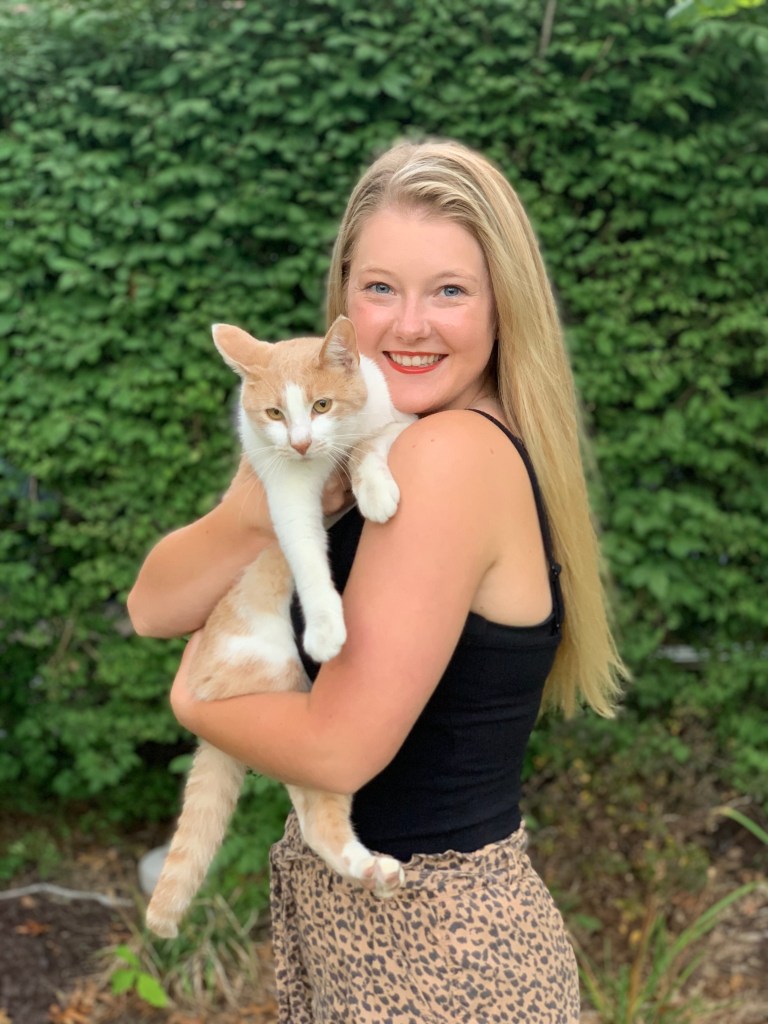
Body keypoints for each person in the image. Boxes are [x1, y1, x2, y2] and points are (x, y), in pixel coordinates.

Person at [128, 138, 626, 1023]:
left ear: (502, 306)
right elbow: (153, 605)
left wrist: (196, 703)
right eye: (381, 288)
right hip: (392, 934)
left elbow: (338, 748)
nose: (408, 325)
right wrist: (264, 504)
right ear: (344, 305)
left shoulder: (448, 455)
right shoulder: (354, 438)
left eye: (450, 290)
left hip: (435, 959)